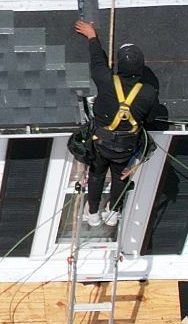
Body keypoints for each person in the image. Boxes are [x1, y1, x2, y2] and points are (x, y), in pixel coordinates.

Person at [67, 17, 165, 217]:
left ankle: (93, 212)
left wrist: (92, 36)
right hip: (126, 146)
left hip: (101, 143)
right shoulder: (148, 93)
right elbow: (151, 118)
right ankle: (113, 211)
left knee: (97, 174)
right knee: (120, 177)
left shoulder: (107, 81)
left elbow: (97, 62)